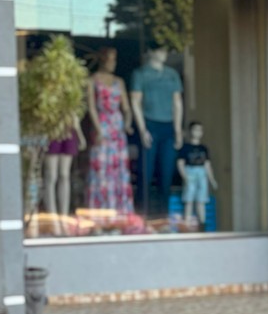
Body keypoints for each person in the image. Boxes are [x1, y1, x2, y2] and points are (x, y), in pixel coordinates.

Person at [131, 44, 183, 212]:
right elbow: (135, 102)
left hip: (168, 126)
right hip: (150, 123)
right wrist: (142, 129)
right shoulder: (141, 73)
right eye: (160, 50)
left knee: (167, 172)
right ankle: (142, 213)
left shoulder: (172, 74)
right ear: (151, 52)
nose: (164, 54)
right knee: (146, 171)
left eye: (165, 50)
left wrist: (178, 129)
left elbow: (177, 102)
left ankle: (164, 214)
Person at [85, 46, 134, 214]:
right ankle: (101, 210)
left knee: (118, 167)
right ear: (103, 59)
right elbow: (91, 107)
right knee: (101, 167)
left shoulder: (119, 81)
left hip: (117, 125)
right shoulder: (92, 80)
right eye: (111, 59)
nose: (113, 63)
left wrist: (127, 124)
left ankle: (120, 211)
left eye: (115, 59)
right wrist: (98, 129)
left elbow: (126, 107)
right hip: (102, 123)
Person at [177, 121, 218, 227]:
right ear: (190, 131)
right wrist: (185, 176)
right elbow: (180, 163)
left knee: (201, 200)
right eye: (195, 129)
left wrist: (212, 179)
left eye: (200, 130)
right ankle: (187, 222)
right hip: (190, 172)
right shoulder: (185, 147)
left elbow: (207, 165)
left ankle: (202, 223)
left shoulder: (204, 148)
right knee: (189, 199)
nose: (198, 132)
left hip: (202, 174)